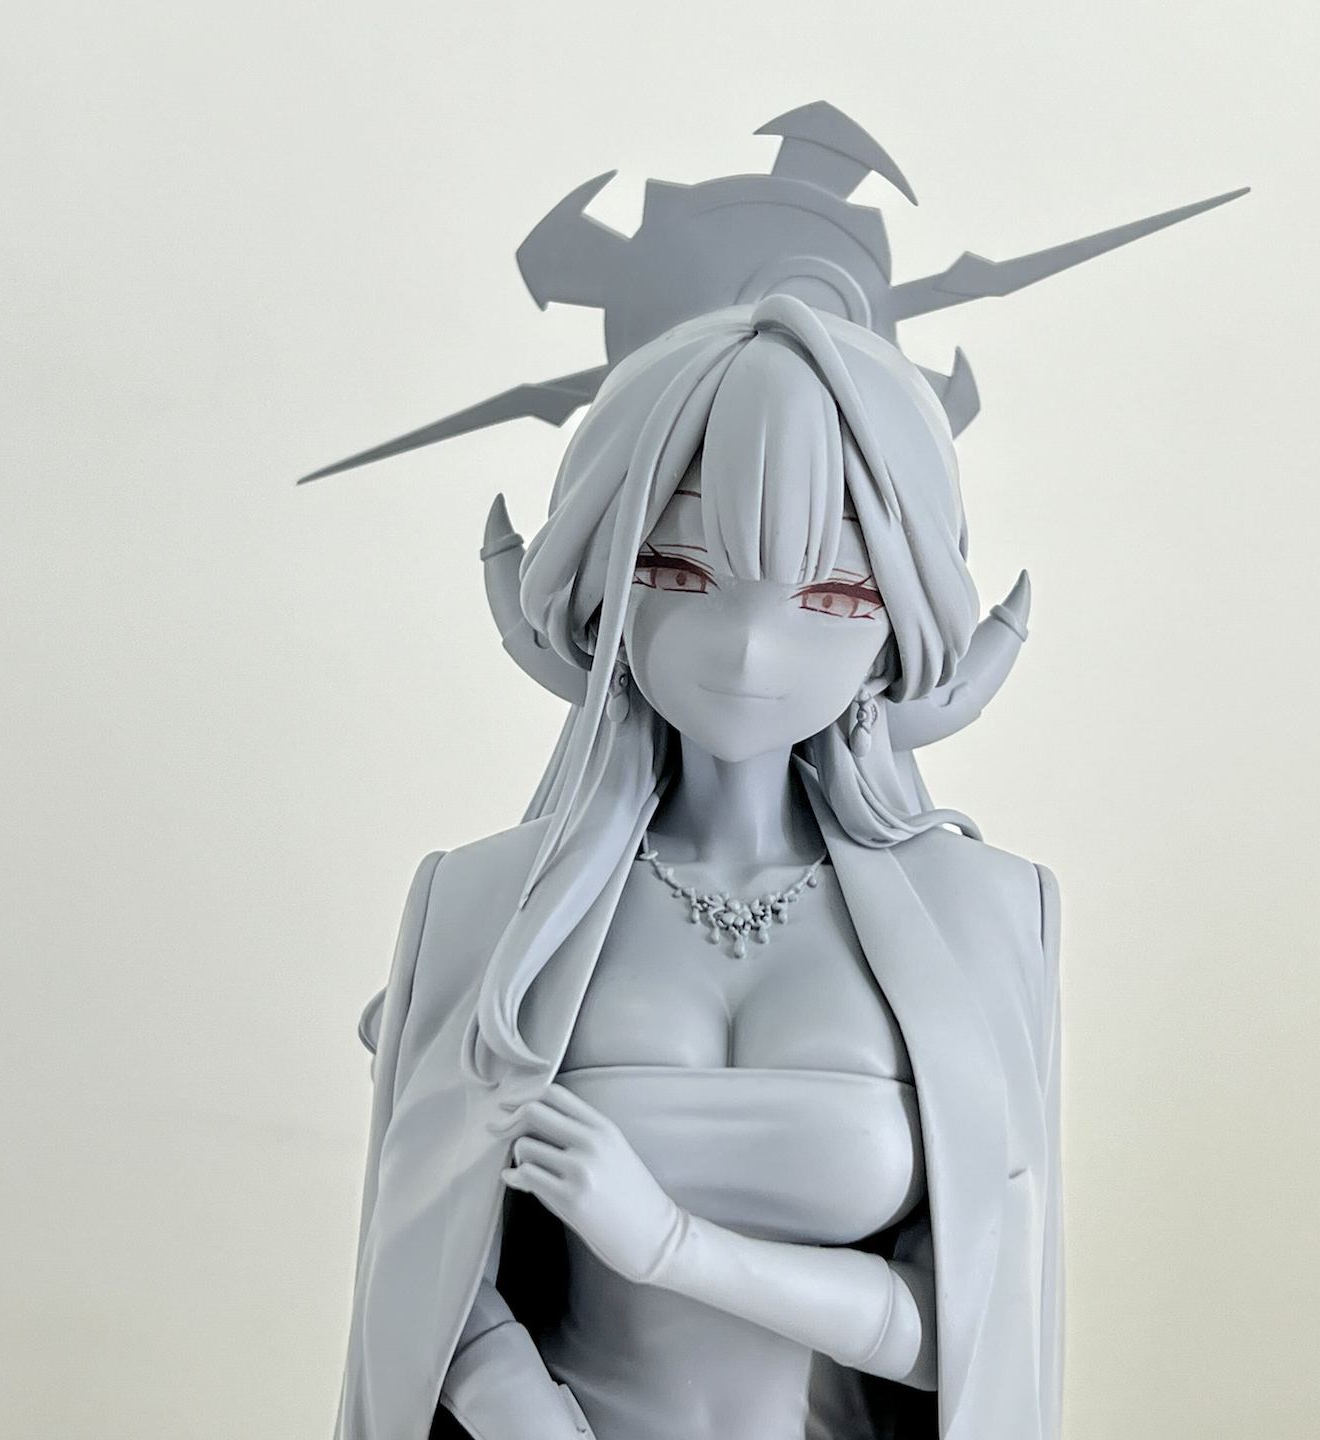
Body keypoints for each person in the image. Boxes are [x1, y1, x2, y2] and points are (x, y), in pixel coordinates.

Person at [334, 295, 1063, 1440]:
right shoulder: (480, 905)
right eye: (678, 571)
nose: (752, 646)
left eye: (833, 593)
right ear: (605, 583)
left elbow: (977, 1332)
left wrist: (673, 1245)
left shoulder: (989, 914)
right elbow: (421, 1285)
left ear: (899, 620)